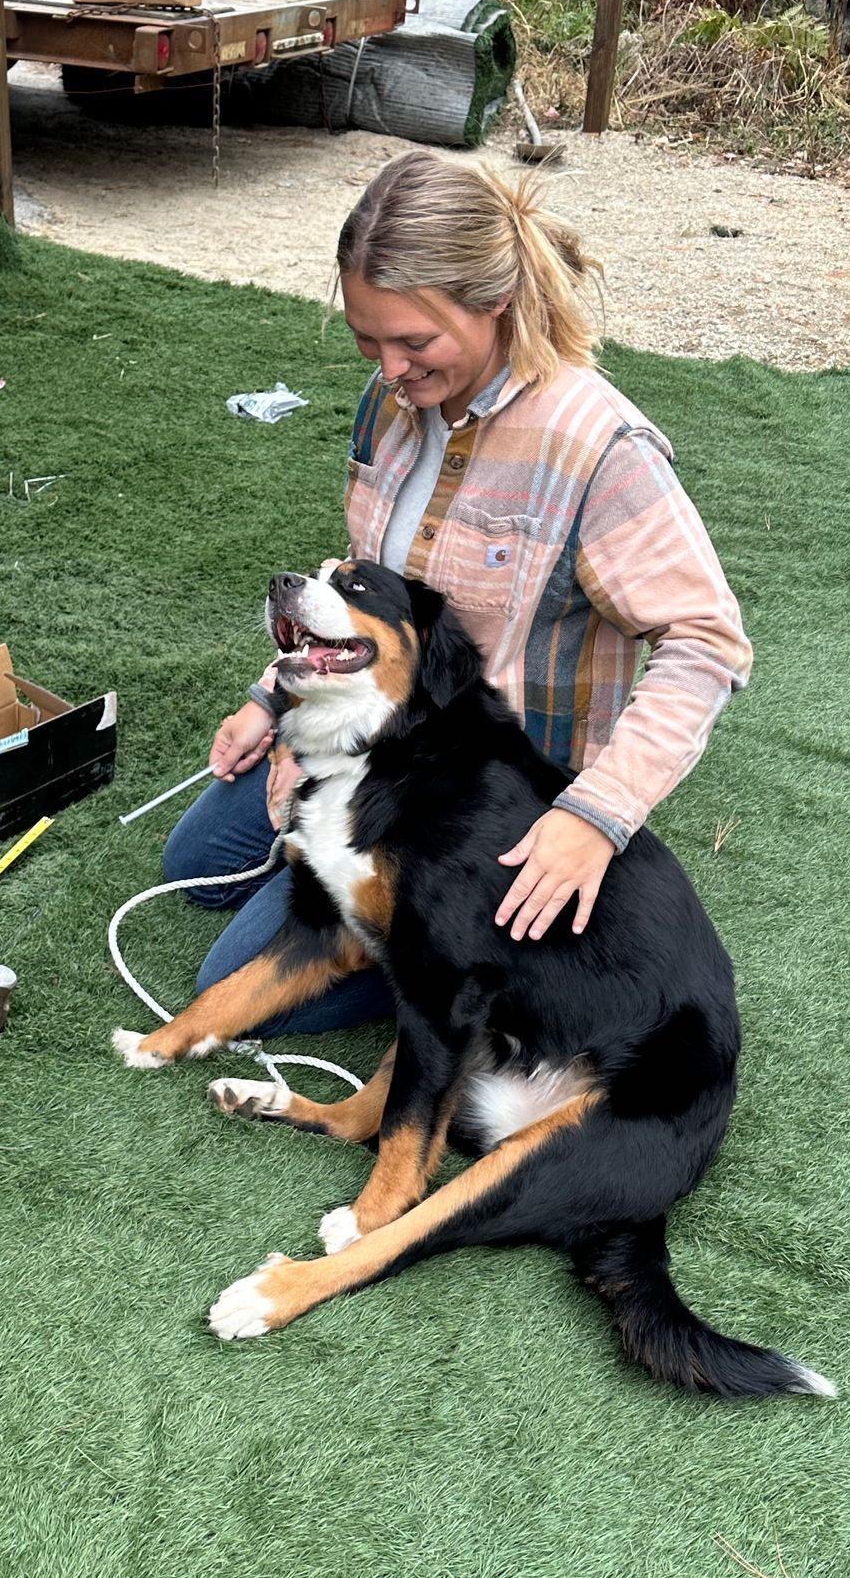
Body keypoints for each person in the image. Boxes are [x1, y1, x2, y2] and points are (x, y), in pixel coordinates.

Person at [163, 149, 753, 1032]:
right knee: (193, 861)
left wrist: (596, 817)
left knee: (239, 980)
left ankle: (412, 920)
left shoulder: (599, 444)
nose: (390, 369)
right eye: (369, 339)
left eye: (413, 341)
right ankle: (347, 870)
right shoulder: (389, 401)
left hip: (479, 795)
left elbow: (707, 642)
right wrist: (276, 700)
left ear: (495, 305)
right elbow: (366, 595)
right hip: (371, 731)